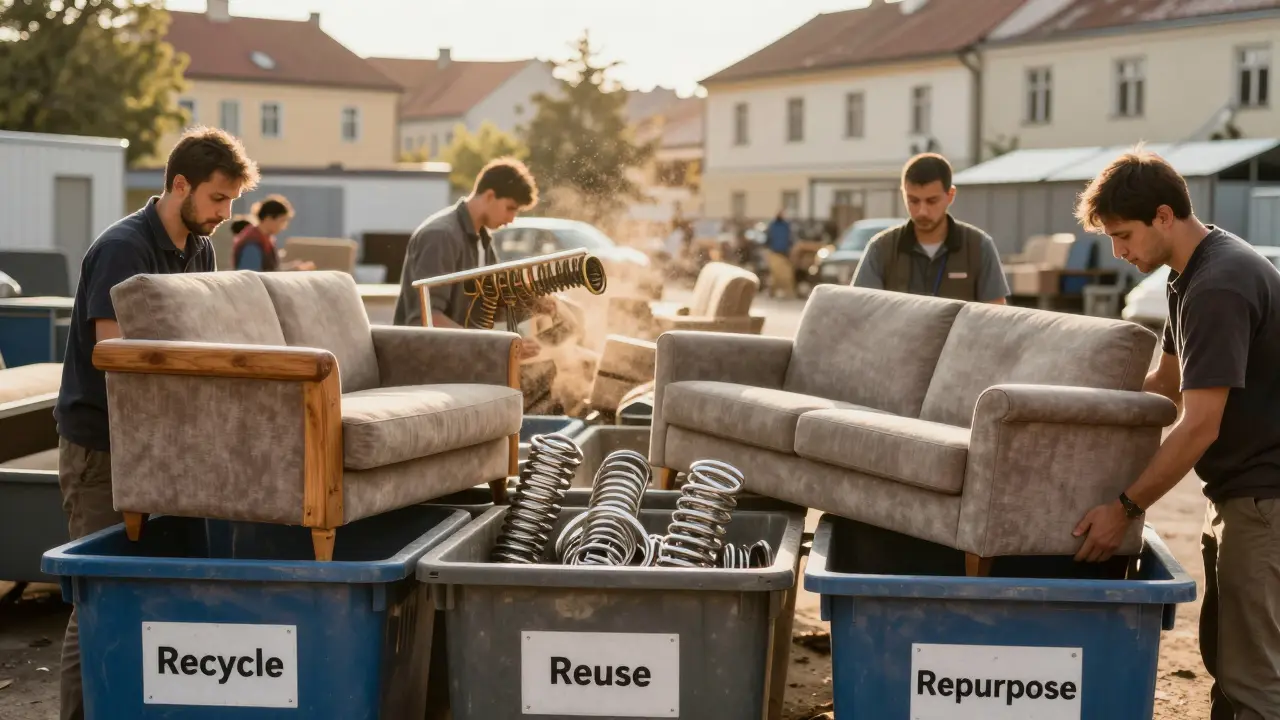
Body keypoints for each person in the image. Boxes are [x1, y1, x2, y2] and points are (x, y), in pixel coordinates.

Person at [52, 126, 259, 720]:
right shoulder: (123, 249)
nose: (224, 214)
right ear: (179, 184)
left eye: (231, 203)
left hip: (167, 446)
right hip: (103, 446)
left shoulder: (202, 247)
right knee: (100, 598)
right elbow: (114, 355)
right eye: (217, 199)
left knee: (160, 595)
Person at [1069, 147, 1280, 719]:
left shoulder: (1219, 286)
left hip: (1266, 499)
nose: (1118, 252)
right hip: (1241, 492)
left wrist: (1124, 506)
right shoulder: (1187, 274)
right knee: (1227, 661)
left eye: (1123, 235)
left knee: (1256, 681)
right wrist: (1075, 415)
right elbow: (1165, 382)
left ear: (1164, 216)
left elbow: (1198, 427)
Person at [392, 156, 545, 358]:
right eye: (510, 208)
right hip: (425, 364)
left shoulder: (483, 241)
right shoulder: (441, 236)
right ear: (490, 196)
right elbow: (426, 319)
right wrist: (496, 347)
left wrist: (536, 304)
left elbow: (492, 304)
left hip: (462, 360)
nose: (511, 219)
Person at [852, 153, 1009, 303]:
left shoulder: (979, 247)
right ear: (903, 194)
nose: (922, 211)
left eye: (932, 201)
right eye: (913, 201)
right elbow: (862, 310)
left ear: (950, 195)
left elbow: (994, 317)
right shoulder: (881, 249)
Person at [231, 194, 315, 271]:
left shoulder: (266, 240)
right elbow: (251, 275)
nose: (284, 226)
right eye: (282, 221)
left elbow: (271, 269)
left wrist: (294, 268)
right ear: (269, 218)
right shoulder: (252, 242)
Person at [764, 210, 796, 298]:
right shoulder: (774, 225)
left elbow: (790, 238)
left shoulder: (785, 226)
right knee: (776, 274)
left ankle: (786, 292)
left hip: (783, 253)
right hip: (776, 252)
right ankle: (773, 292)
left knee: (784, 274)